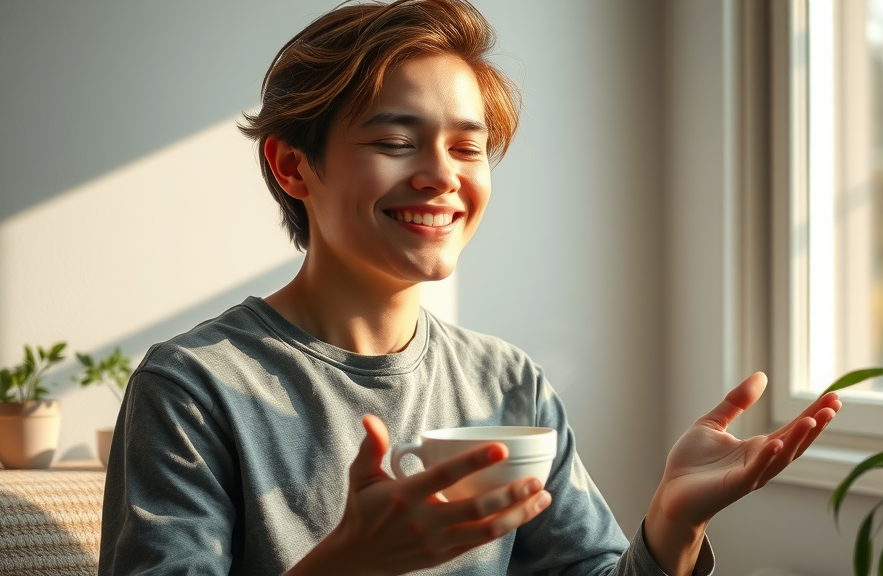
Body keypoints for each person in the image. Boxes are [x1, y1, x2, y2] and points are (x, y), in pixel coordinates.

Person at [97, 1, 842, 574]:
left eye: (468, 147)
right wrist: (348, 563)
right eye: (395, 142)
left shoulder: (508, 384)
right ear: (294, 167)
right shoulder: (192, 388)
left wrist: (673, 525)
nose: (442, 175)